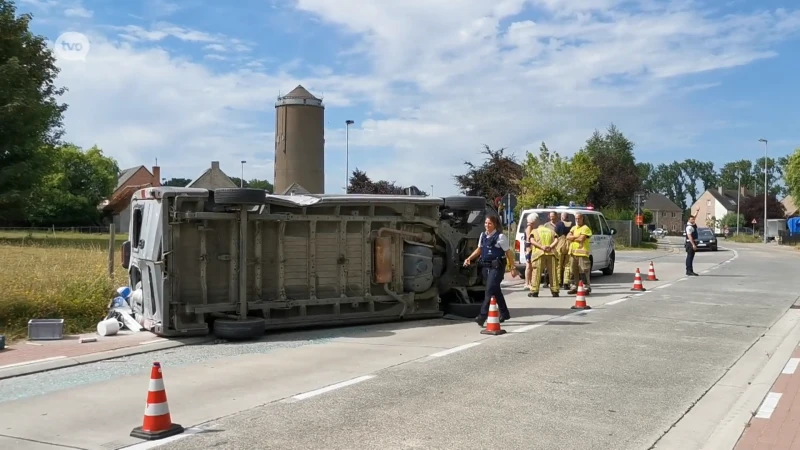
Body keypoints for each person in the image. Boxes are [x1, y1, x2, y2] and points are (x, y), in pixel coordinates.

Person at [463, 214, 517, 326]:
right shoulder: (483, 235)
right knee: (495, 290)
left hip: (497, 268)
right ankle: (505, 313)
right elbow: (479, 250)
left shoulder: (500, 237)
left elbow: (509, 253)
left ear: (495, 225)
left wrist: (513, 267)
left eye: (489, 223)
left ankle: (482, 316)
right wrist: (469, 258)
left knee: (488, 291)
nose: (487, 225)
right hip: (486, 267)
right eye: (486, 223)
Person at [528, 217, 560, 297]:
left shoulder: (535, 231)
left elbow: (531, 241)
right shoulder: (551, 231)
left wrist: (541, 247)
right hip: (551, 253)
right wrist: (550, 246)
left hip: (539, 254)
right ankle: (555, 291)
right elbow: (557, 240)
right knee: (553, 273)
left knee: (537, 273)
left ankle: (534, 291)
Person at [566, 212, 592, 294]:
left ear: (582, 219)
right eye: (576, 218)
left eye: (579, 218)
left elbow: (582, 239)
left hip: (582, 254)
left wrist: (573, 238)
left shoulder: (585, 228)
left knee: (583, 271)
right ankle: (574, 286)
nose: (577, 220)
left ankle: (586, 287)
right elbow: (567, 237)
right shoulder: (574, 228)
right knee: (573, 271)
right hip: (573, 254)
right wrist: (576, 237)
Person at [557, 212, 572, 290]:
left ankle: (559, 282)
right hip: (569, 245)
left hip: (560, 245)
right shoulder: (572, 225)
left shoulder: (559, 224)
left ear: (561, 217)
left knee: (559, 265)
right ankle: (566, 283)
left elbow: (555, 234)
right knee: (567, 265)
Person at [523, 216, 537, 289]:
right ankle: (527, 283)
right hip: (529, 248)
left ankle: (529, 282)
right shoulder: (529, 228)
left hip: (529, 248)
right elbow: (529, 238)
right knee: (528, 266)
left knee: (530, 266)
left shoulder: (530, 227)